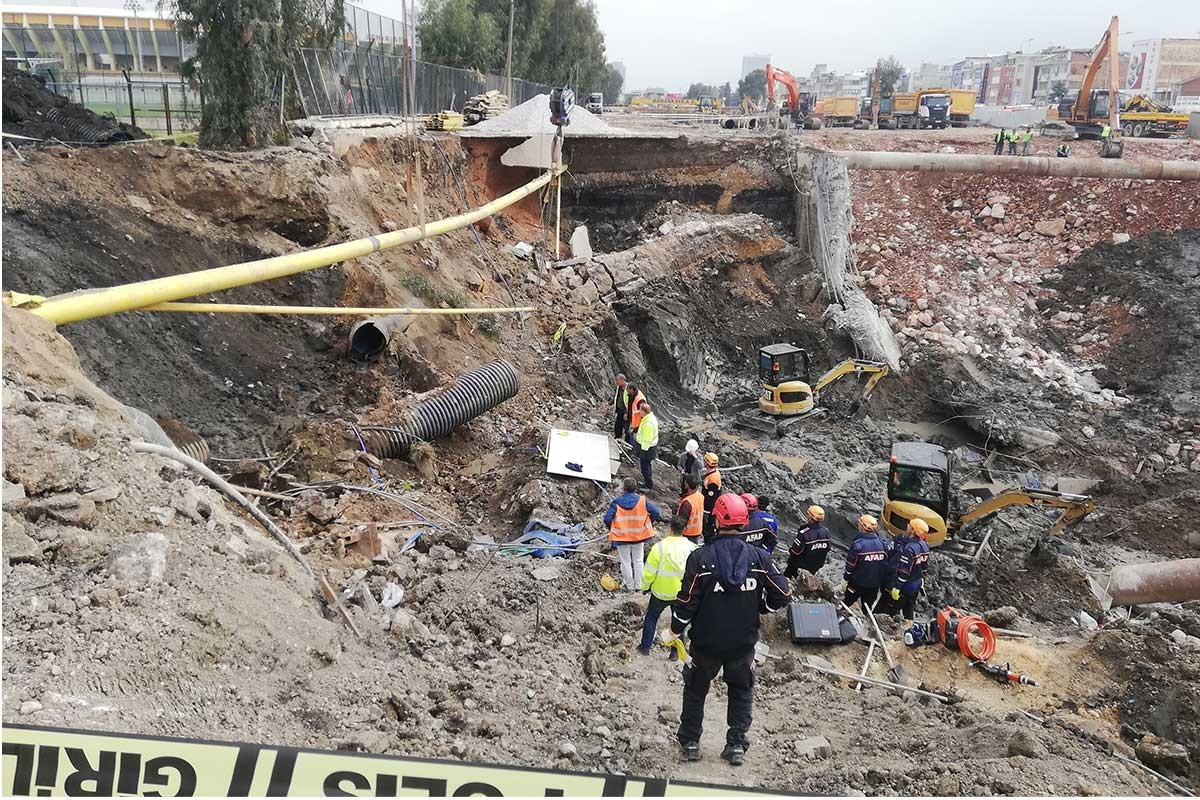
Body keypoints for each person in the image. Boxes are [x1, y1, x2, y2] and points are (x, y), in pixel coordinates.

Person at [667, 493, 790, 765]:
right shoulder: (758, 558)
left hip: (706, 642)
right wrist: (763, 607)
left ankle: (690, 742)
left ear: (717, 520)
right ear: (744, 522)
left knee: (696, 690)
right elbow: (782, 593)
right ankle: (735, 745)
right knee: (741, 691)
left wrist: (675, 629)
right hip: (743, 643)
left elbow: (687, 601)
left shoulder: (700, 559)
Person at [638, 516, 697, 655]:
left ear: (669, 528)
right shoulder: (692, 548)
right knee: (678, 621)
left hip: (660, 592)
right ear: (684, 530)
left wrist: (645, 587)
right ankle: (675, 652)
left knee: (652, 617)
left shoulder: (659, 548)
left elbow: (649, 572)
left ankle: (645, 647)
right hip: (681, 593)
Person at [604, 477, 661, 590]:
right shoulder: (642, 501)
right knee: (638, 560)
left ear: (624, 489)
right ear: (635, 488)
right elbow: (656, 512)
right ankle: (638, 585)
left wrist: (613, 527)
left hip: (622, 537)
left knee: (625, 562)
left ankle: (629, 586)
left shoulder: (617, 502)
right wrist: (647, 522)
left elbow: (607, 518)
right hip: (638, 536)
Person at [882, 518, 931, 620]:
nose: (907, 526)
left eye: (910, 525)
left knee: (892, 610)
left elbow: (904, 571)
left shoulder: (909, 549)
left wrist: (897, 587)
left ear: (913, 531)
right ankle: (909, 625)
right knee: (909, 609)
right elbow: (924, 566)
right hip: (916, 584)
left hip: (906, 586)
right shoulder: (924, 545)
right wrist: (921, 579)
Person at [841, 514, 890, 610]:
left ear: (863, 526)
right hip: (874, 586)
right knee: (867, 608)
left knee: (846, 604)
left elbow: (851, 565)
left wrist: (846, 578)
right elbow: (884, 565)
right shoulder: (883, 545)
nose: (858, 525)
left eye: (860, 524)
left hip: (857, 583)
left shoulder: (858, 545)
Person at [784, 505, 830, 578]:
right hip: (815, 567)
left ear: (811, 517)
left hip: (800, 567)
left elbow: (795, 552)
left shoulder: (804, 533)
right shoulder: (826, 532)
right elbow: (827, 549)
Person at [633, 399, 660, 490]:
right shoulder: (649, 418)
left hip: (646, 449)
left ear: (644, 412)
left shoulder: (648, 423)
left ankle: (648, 485)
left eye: (640, 410)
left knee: (645, 467)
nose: (639, 412)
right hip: (648, 448)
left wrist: (642, 451)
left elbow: (647, 440)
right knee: (646, 466)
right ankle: (646, 481)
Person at [676, 475, 705, 542]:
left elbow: (682, 522)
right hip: (697, 530)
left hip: (687, 534)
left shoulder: (687, 503)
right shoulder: (700, 496)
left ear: (687, 485)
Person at [700, 453, 722, 542]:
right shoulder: (713, 473)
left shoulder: (713, 479)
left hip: (709, 508)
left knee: (707, 528)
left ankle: (708, 542)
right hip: (709, 506)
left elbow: (711, 498)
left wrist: (706, 511)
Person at [610, 374, 630, 441]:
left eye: (617, 380)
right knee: (618, 425)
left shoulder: (629, 388)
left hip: (626, 411)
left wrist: (627, 412)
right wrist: (608, 404)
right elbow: (615, 398)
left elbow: (631, 402)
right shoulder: (619, 388)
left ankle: (628, 443)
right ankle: (617, 438)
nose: (616, 382)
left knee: (627, 428)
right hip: (619, 410)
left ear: (622, 380)